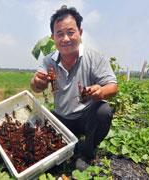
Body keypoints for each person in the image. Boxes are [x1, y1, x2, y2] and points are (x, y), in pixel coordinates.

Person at [30, 5, 118, 171]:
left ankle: (86, 152)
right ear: (53, 37)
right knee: (37, 132)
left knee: (103, 112)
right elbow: (36, 86)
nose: (65, 39)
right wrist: (37, 83)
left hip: (86, 116)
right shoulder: (49, 61)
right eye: (60, 34)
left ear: (80, 32)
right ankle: (66, 147)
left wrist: (100, 92)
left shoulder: (94, 58)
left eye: (70, 32)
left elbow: (113, 87)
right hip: (61, 117)